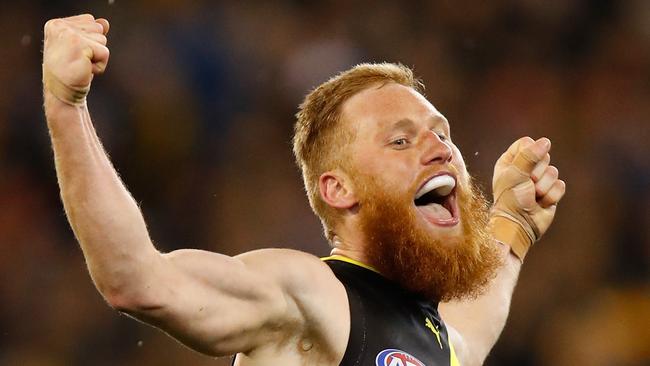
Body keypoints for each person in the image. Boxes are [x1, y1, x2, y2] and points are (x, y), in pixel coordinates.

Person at [42, 14, 566, 366]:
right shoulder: (308, 293)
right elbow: (138, 280)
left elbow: (472, 327)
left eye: (442, 134)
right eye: (401, 140)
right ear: (338, 189)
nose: (439, 148)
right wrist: (67, 104)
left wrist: (513, 226)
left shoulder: (431, 336)